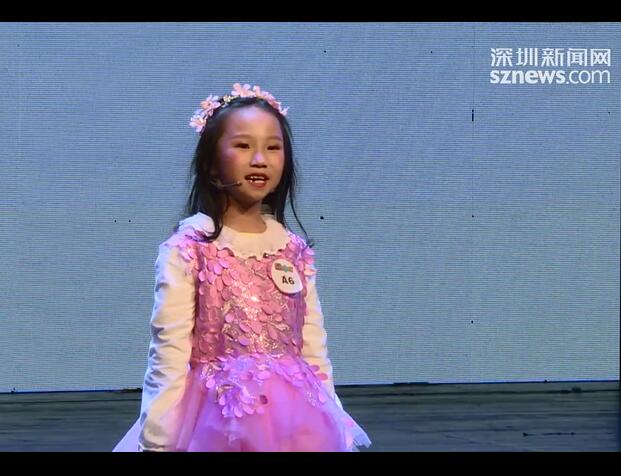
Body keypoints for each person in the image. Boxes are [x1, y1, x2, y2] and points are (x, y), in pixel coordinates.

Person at [113, 83, 372, 452]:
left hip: (296, 423)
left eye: (273, 147)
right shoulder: (190, 249)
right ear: (210, 165)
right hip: (218, 420)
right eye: (243, 145)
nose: (260, 159)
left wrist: (335, 419)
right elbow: (168, 354)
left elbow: (313, 349)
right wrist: (157, 441)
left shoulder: (293, 250)